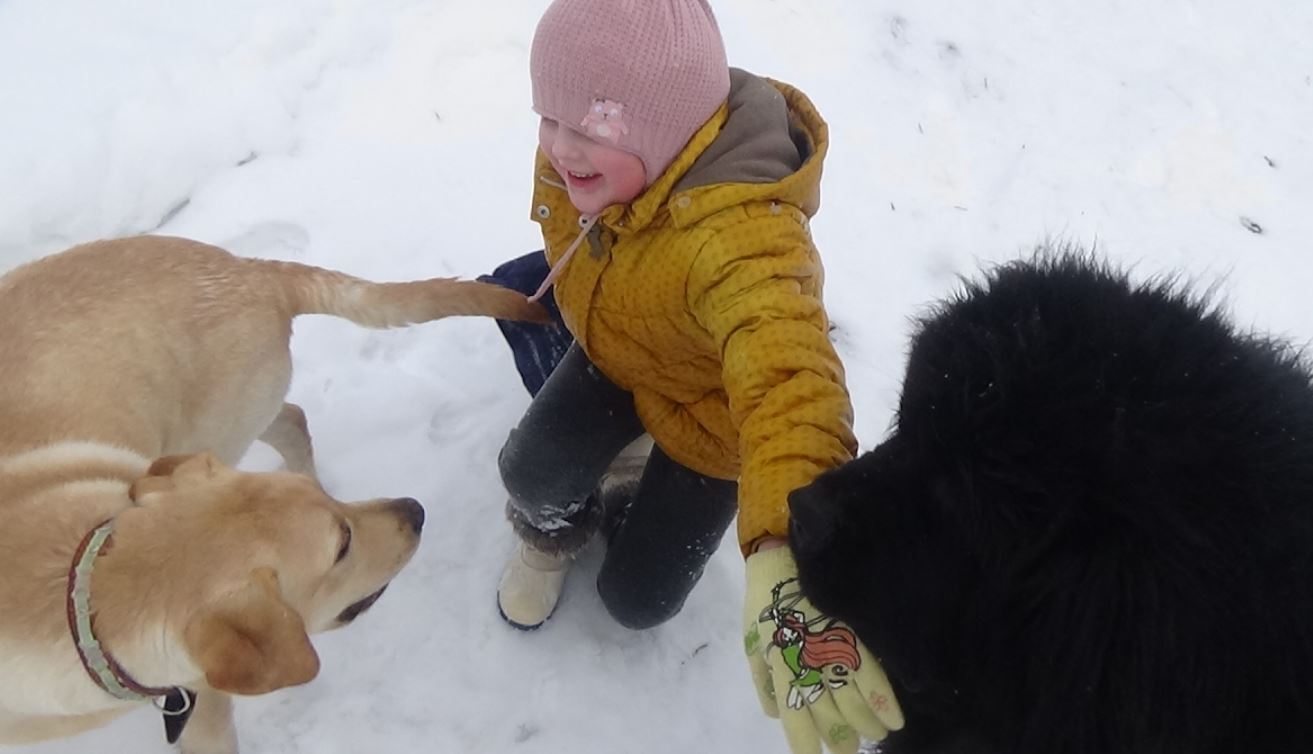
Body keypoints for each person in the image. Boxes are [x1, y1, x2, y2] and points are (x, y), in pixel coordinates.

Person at [485, 1, 904, 751]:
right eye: (547, 119)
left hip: (712, 423)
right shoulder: (594, 159)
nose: (556, 149)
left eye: (585, 130)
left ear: (665, 133)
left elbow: (789, 379)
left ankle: (627, 496)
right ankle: (554, 537)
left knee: (637, 601)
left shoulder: (744, 236)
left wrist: (791, 546)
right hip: (621, 350)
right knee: (530, 471)